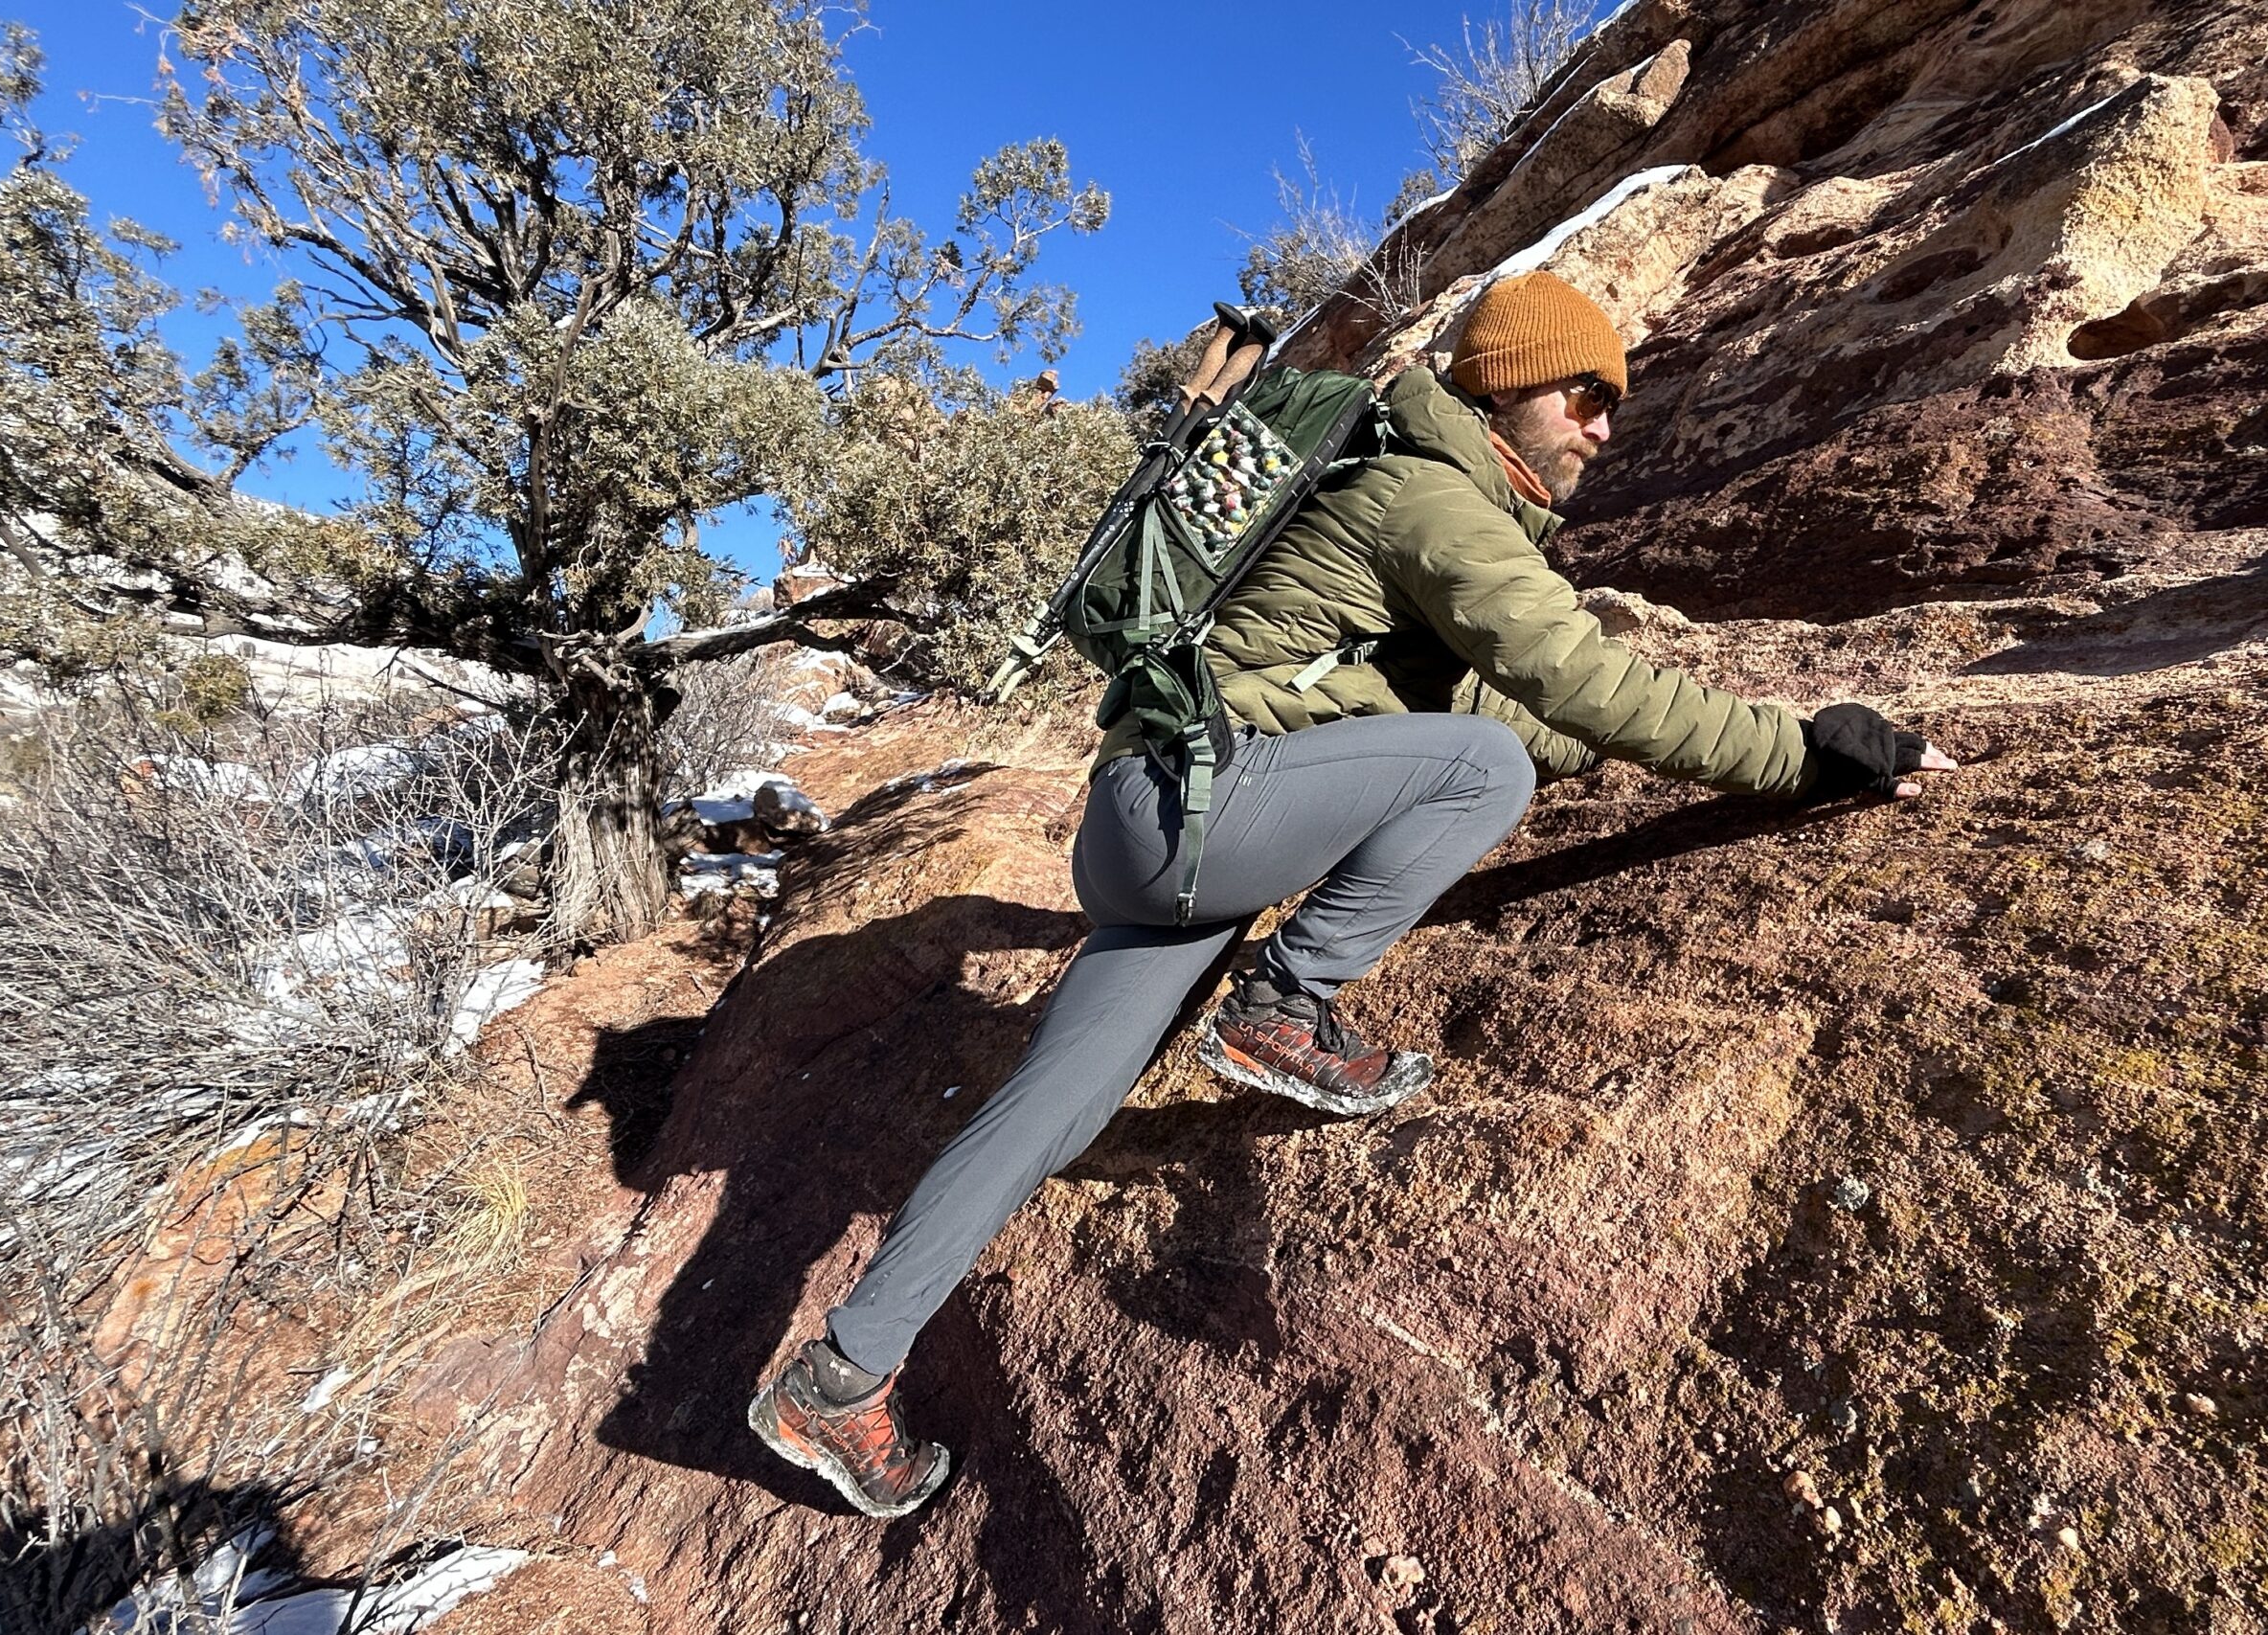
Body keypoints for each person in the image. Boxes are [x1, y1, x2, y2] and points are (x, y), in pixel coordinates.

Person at [746, 271, 1958, 1516]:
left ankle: (838, 1379)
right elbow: (1566, 686)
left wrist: (1598, 744)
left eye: (1615, 404)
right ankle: (1285, 1005)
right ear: (1506, 384)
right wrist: (1804, 754)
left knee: (1047, 1113)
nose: (1605, 424)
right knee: (1478, 773)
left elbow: (1484, 705)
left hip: (1153, 829)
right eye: (1585, 393)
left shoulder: (1409, 497)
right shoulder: (1435, 498)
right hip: (1194, 813)